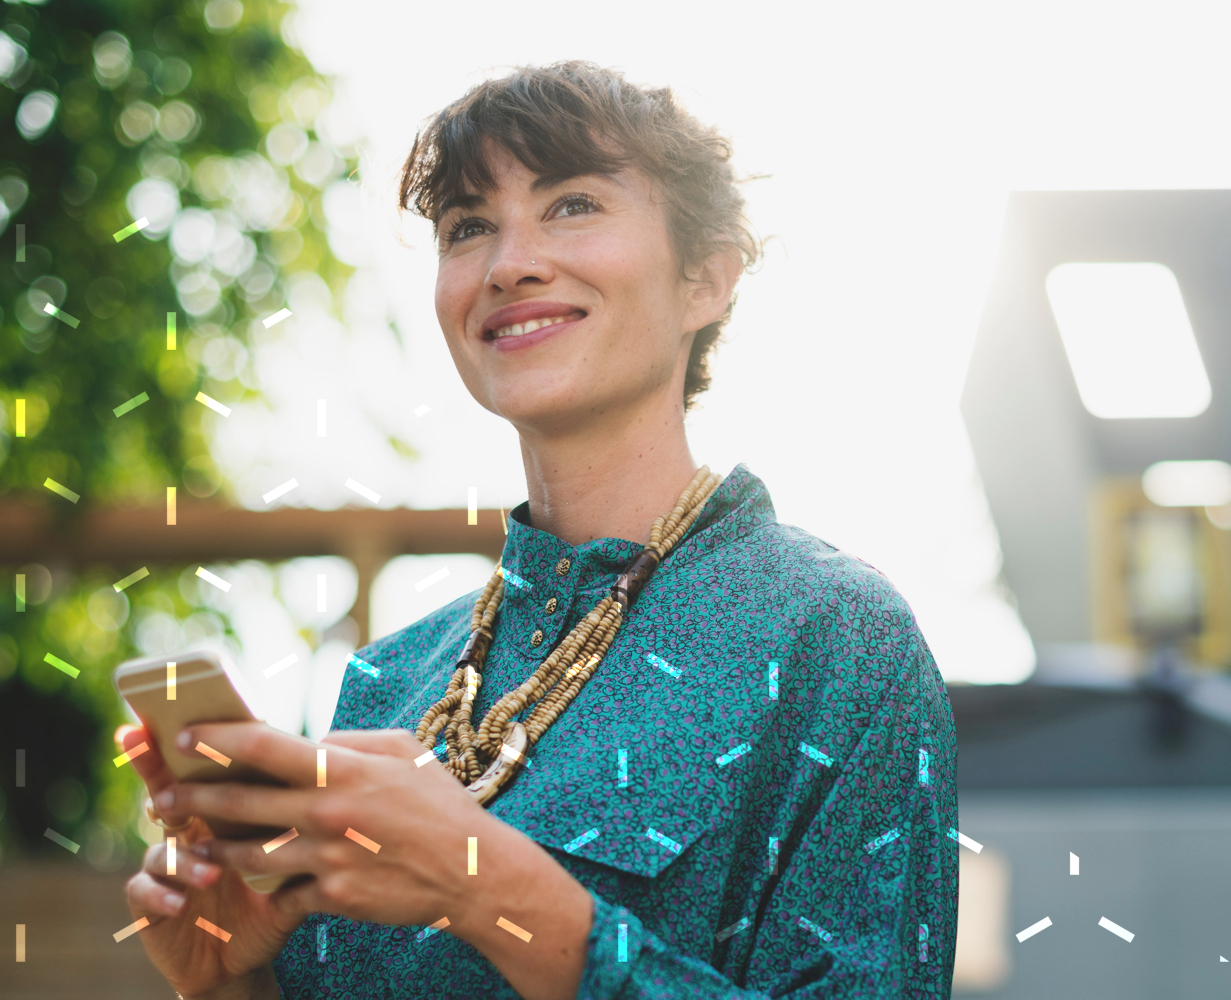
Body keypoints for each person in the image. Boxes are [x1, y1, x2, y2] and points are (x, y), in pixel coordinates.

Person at [116, 61, 958, 999]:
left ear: (705, 282)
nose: (508, 262)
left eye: (572, 205)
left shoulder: (834, 637)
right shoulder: (384, 684)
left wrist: (490, 890)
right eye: (468, 227)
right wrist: (228, 982)